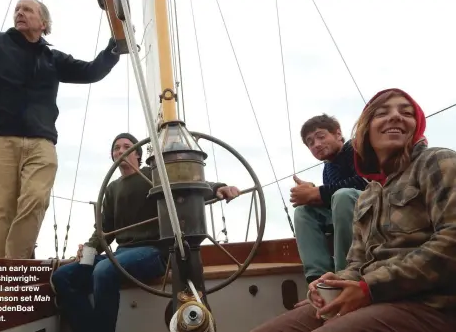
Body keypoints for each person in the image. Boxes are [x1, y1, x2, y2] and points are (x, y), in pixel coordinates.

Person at [250, 88, 456, 332]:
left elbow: (451, 239)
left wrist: (369, 288)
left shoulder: (437, 161)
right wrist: (337, 282)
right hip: (374, 297)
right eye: (382, 113)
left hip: (429, 304)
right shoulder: (370, 193)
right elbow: (358, 262)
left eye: (406, 112)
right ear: (366, 130)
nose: (395, 116)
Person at [0, 0, 120, 259]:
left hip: (42, 143)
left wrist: (114, 48)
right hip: (2, 140)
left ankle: (16, 267)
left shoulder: (52, 59)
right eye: (17, 9)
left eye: (27, 10)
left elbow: (90, 72)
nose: (19, 13)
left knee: (35, 200)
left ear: (43, 23)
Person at [51, 133, 241, 332]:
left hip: (154, 253)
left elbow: (184, 183)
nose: (121, 151)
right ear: (113, 156)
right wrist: (88, 251)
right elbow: (104, 232)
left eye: (127, 147)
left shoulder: (153, 175)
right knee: (63, 276)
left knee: (103, 270)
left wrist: (218, 188)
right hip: (120, 254)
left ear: (139, 155)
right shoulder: (112, 189)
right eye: (117, 148)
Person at [292, 114, 368, 283]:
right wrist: (313, 194)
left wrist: (317, 192)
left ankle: (345, 274)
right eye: (310, 142)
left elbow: (365, 181)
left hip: (373, 209)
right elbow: (330, 199)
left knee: (342, 196)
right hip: (349, 210)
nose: (316, 144)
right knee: (304, 211)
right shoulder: (328, 169)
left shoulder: (357, 149)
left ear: (338, 134)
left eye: (321, 136)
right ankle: (318, 278)